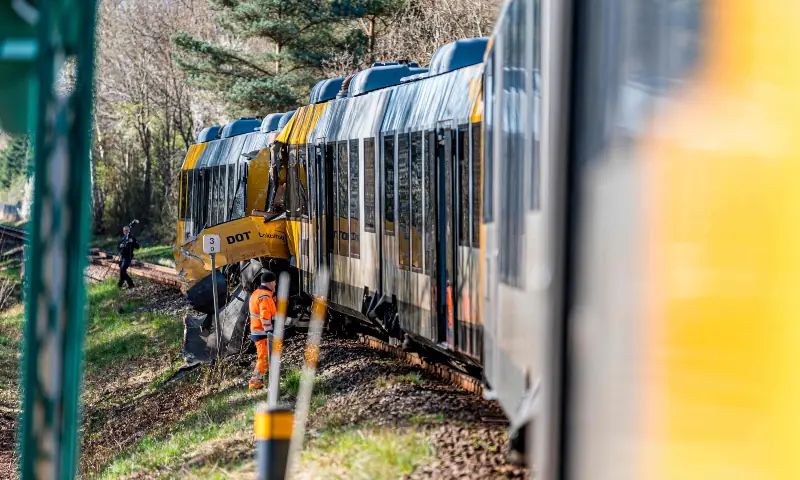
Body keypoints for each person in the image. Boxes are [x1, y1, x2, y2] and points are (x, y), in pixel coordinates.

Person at [248, 271, 277, 390]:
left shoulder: (257, 293)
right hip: (262, 333)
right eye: (274, 282)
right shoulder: (264, 296)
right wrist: (269, 331)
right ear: (270, 283)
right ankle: (254, 383)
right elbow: (265, 315)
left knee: (265, 357)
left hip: (257, 331)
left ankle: (257, 382)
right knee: (264, 358)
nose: (275, 284)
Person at [118, 225, 140, 289]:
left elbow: (138, 246)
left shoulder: (132, 238)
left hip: (128, 257)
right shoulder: (123, 239)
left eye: (127, 230)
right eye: (124, 231)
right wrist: (120, 246)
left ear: (129, 231)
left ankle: (121, 284)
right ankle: (130, 284)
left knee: (122, 269)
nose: (126, 232)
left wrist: (132, 242)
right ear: (123, 231)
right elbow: (118, 247)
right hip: (122, 257)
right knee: (122, 271)